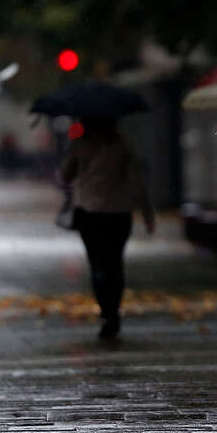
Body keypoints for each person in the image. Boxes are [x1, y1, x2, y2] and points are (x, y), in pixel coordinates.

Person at [58, 117, 156, 340]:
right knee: (115, 262)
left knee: (97, 263)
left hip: (89, 212)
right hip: (119, 213)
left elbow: (64, 175)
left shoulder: (81, 144)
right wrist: (148, 214)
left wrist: (75, 154)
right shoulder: (123, 145)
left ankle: (105, 312)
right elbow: (137, 181)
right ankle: (114, 313)